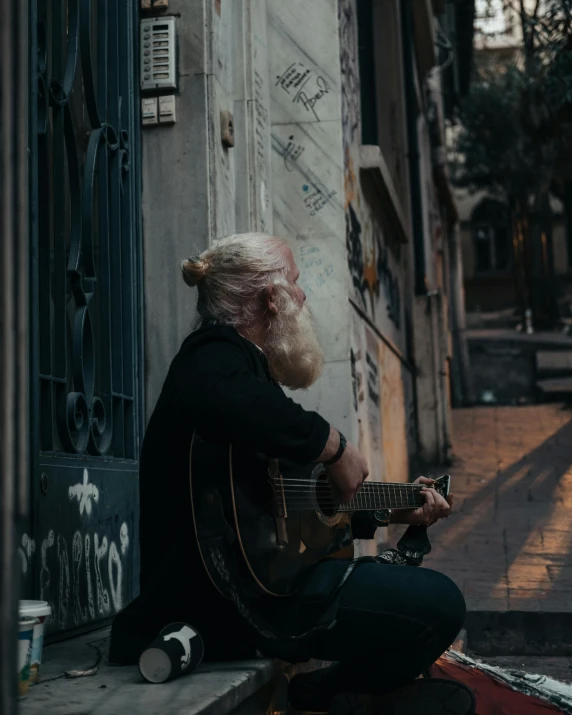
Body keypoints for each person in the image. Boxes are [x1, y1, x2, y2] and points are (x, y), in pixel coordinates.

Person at [109, 233, 472, 715]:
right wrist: (334, 445)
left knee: (434, 604)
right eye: (295, 284)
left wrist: (392, 509)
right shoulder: (212, 355)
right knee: (439, 605)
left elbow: (292, 500)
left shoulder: (250, 375)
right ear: (270, 298)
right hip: (230, 604)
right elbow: (218, 396)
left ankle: (334, 694)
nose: (302, 297)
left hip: (268, 587)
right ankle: (333, 696)